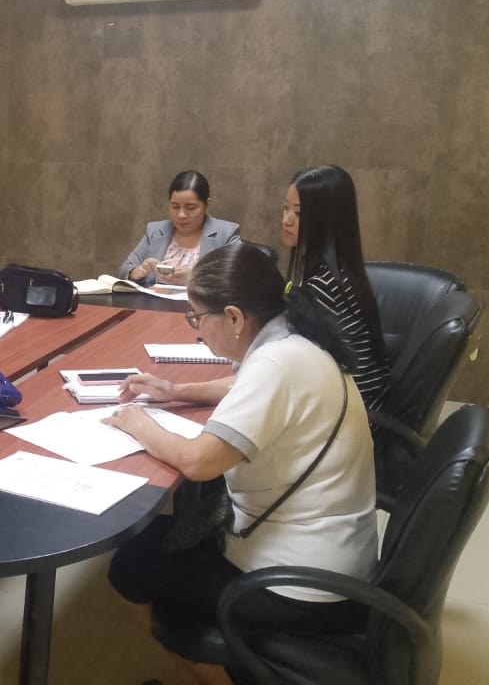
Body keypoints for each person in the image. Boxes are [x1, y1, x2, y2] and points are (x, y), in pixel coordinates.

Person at [103, 244, 377, 683]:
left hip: (299, 585)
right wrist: (174, 391)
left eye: (196, 318)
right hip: (335, 560)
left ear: (233, 317)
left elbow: (198, 463)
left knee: (130, 565)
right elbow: (241, 384)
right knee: (163, 537)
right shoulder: (293, 338)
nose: (196, 330)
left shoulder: (277, 363)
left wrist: (140, 424)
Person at [282, 165, 390, 410]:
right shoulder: (340, 272)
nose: (286, 220)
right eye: (286, 208)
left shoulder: (323, 286)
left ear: (326, 220)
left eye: (298, 213)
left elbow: (299, 369)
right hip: (354, 402)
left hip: (349, 411)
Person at [118, 170, 240, 286]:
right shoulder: (156, 230)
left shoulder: (225, 234)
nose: (181, 215)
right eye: (175, 207)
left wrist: (195, 277)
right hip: (153, 299)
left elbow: (239, 279)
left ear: (206, 205)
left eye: (191, 208)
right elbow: (125, 269)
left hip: (199, 301)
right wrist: (140, 270)